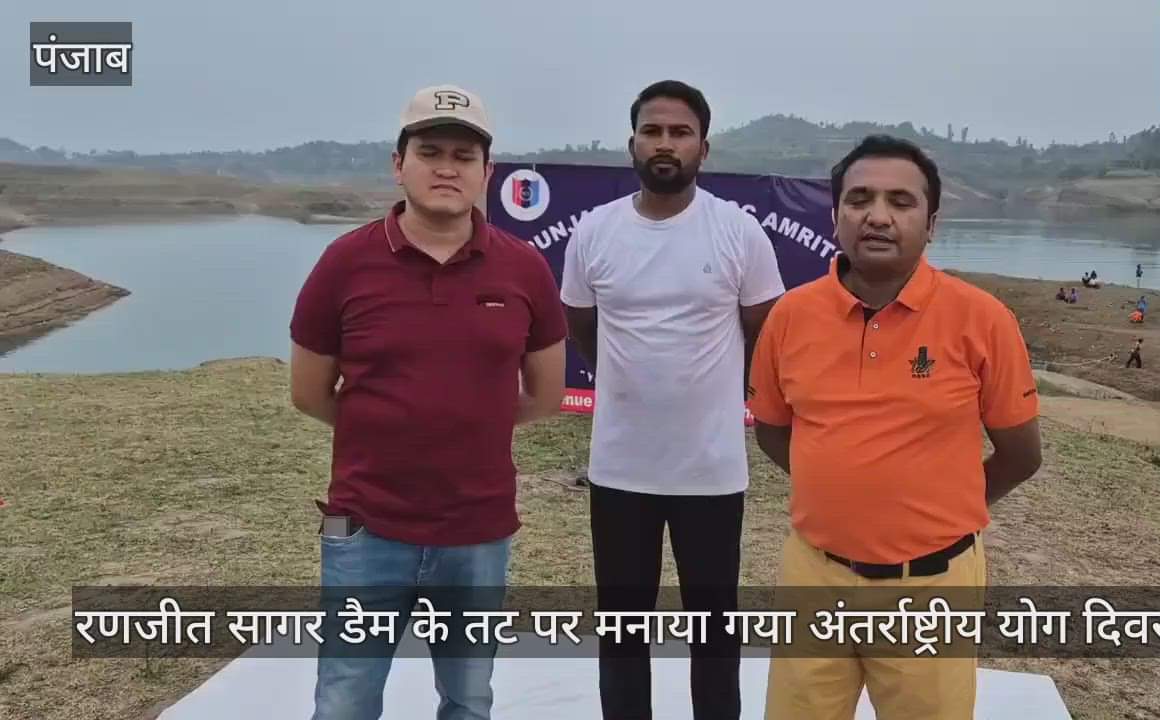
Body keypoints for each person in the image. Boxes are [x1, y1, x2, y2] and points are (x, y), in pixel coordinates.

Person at [289, 84, 568, 720]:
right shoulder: (344, 263)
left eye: (465, 156)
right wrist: (386, 430)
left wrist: (472, 424)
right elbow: (309, 393)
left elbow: (545, 394)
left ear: (486, 173)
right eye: (431, 150)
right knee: (345, 698)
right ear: (399, 163)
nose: (448, 167)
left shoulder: (523, 269)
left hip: (478, 531)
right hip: (362, 528)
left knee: (468, 700)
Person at [748, 135, 1042, 720]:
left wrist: (933, 511)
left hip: (933, 588)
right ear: (835, 216)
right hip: (815, 575)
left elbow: (1020, 453)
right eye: (859, 199)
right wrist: (840, 490)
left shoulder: (982, 319)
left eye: (901, 202)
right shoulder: (790, 316)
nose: (877, 216)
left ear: (931, 223)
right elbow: (773, 430)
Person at [560, 79, 785, 720]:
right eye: (653, 131)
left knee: (714, 629)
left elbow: (763, 331)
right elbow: (581, 325)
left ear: (703, 148)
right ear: (632, 142)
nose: (665, 143)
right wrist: (624, 377)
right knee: (623, 629)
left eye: (679, 133)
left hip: (711, 473)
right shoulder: (595, 233)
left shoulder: (738, 233)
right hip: (620, 469)